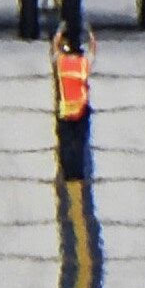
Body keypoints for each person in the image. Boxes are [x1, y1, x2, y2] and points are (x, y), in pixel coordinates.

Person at [52, 21, 95, 180]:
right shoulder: (83, 64)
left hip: (66, 110)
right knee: (80, 143)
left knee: (65, 144)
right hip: (81, 110)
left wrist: (59, 32)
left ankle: (67, 171)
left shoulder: (62, 63)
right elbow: (93, 51)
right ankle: (77, 172)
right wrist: (90, 35)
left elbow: (54, 49)